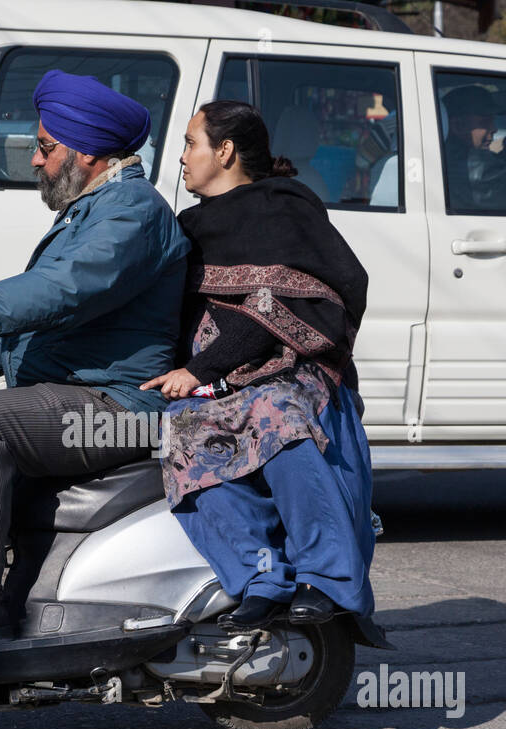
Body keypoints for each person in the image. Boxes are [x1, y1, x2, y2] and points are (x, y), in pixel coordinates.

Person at [0, 69, 190, 649]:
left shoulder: (132, 214)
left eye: (46, 148)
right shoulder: (92, 211)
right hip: (81, 394)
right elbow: (44, 328)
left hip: (120, 408)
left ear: (88, 154)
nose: (35, 160)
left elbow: (61, 290)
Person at [141, 100, 375, 630]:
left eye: (189, 143)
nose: (180, 157)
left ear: (224, 151)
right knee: (179, 435)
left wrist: (202, 369)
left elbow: (290, 301)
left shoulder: (284, 207)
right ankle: (260, 576)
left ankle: (326, 578)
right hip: (219, 378)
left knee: (276, 413)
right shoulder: (190, 226)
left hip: (294, 367)